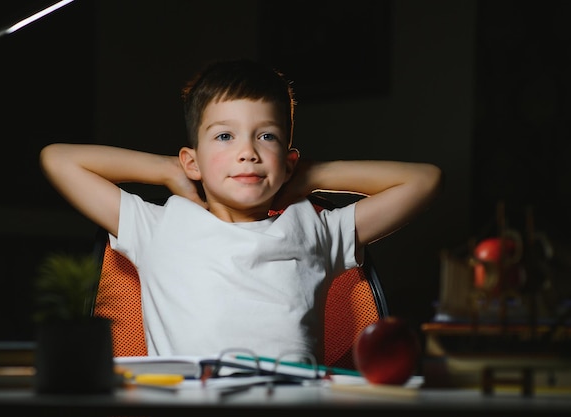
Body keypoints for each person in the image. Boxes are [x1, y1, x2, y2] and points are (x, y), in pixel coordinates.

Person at [40, 58, 443, 360]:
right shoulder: (158, 226)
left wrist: (311, 176)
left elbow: (425, 180)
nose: (247, 152)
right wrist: (166, 170)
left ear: (288, 159)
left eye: (266, 136)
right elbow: (58, 159)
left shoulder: (316, 229)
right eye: (225, 136)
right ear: (192, 160)